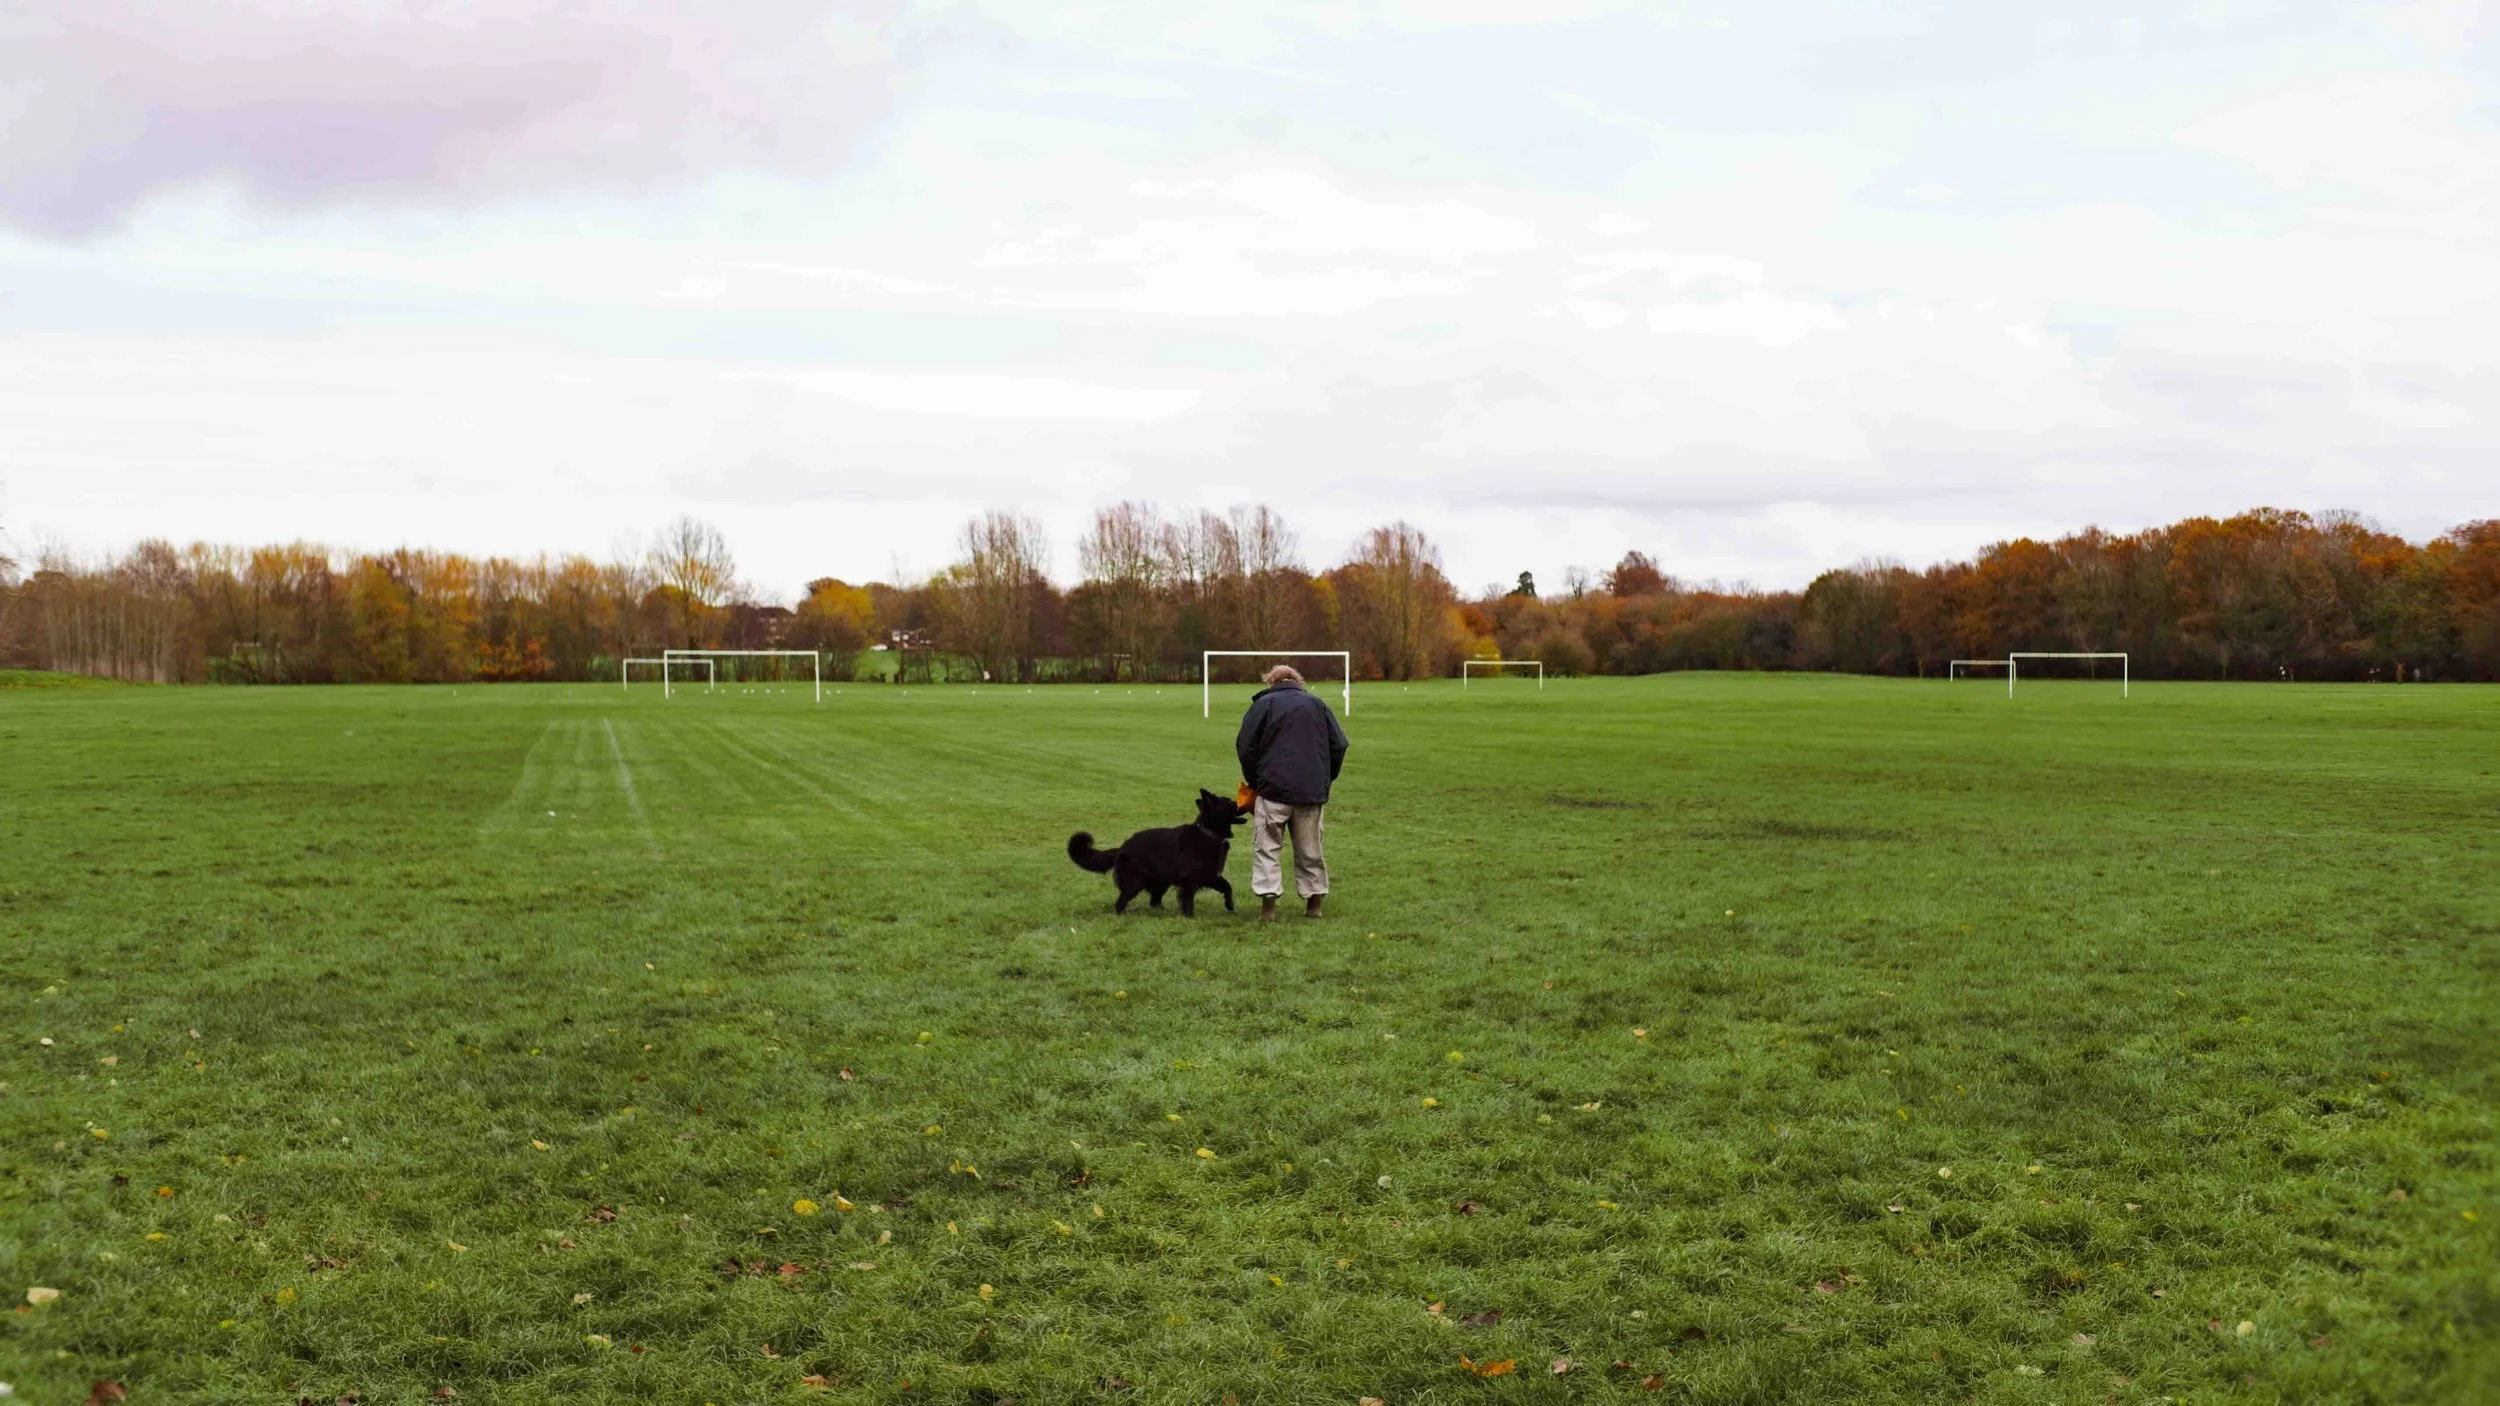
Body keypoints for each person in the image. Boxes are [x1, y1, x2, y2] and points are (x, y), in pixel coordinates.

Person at [1234, 663, 1350, 921]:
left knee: (1267, 848)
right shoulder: (1318, 704)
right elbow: (1339, 745)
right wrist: (1324, 779)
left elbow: (1245, 746)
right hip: (1310, 792)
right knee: (1311, 849)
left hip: (1272, 790)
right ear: (1298, 681)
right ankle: (1314, 906)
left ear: (1271, 682)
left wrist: (1255, 781)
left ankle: (1268, 909)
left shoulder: (1263, 705)